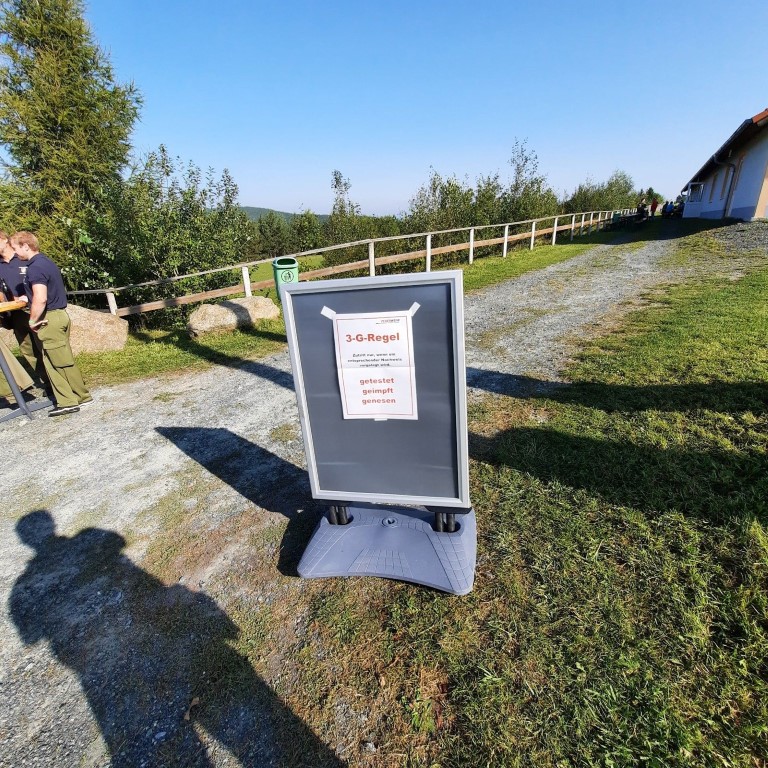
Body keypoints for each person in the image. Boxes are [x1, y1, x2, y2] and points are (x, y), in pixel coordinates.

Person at [10, 231, 91, 416]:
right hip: (58, 315)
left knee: (55, 362)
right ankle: (81, 396)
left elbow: (41, 298)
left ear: (26, 246)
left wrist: (33, 320)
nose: (14, 253)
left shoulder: (35, 268)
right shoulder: (45, 262)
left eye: (15, 248)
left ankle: (68, 401)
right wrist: (28, 297)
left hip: (50, 318)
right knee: (63, 359)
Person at [0, 230, 50, 394]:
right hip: (14, 314)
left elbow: (42, 280)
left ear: (4, 239)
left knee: (44, 346)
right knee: (28, 350)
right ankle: (47, 383)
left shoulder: (23, 257)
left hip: (33, 309)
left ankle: (58, 382)